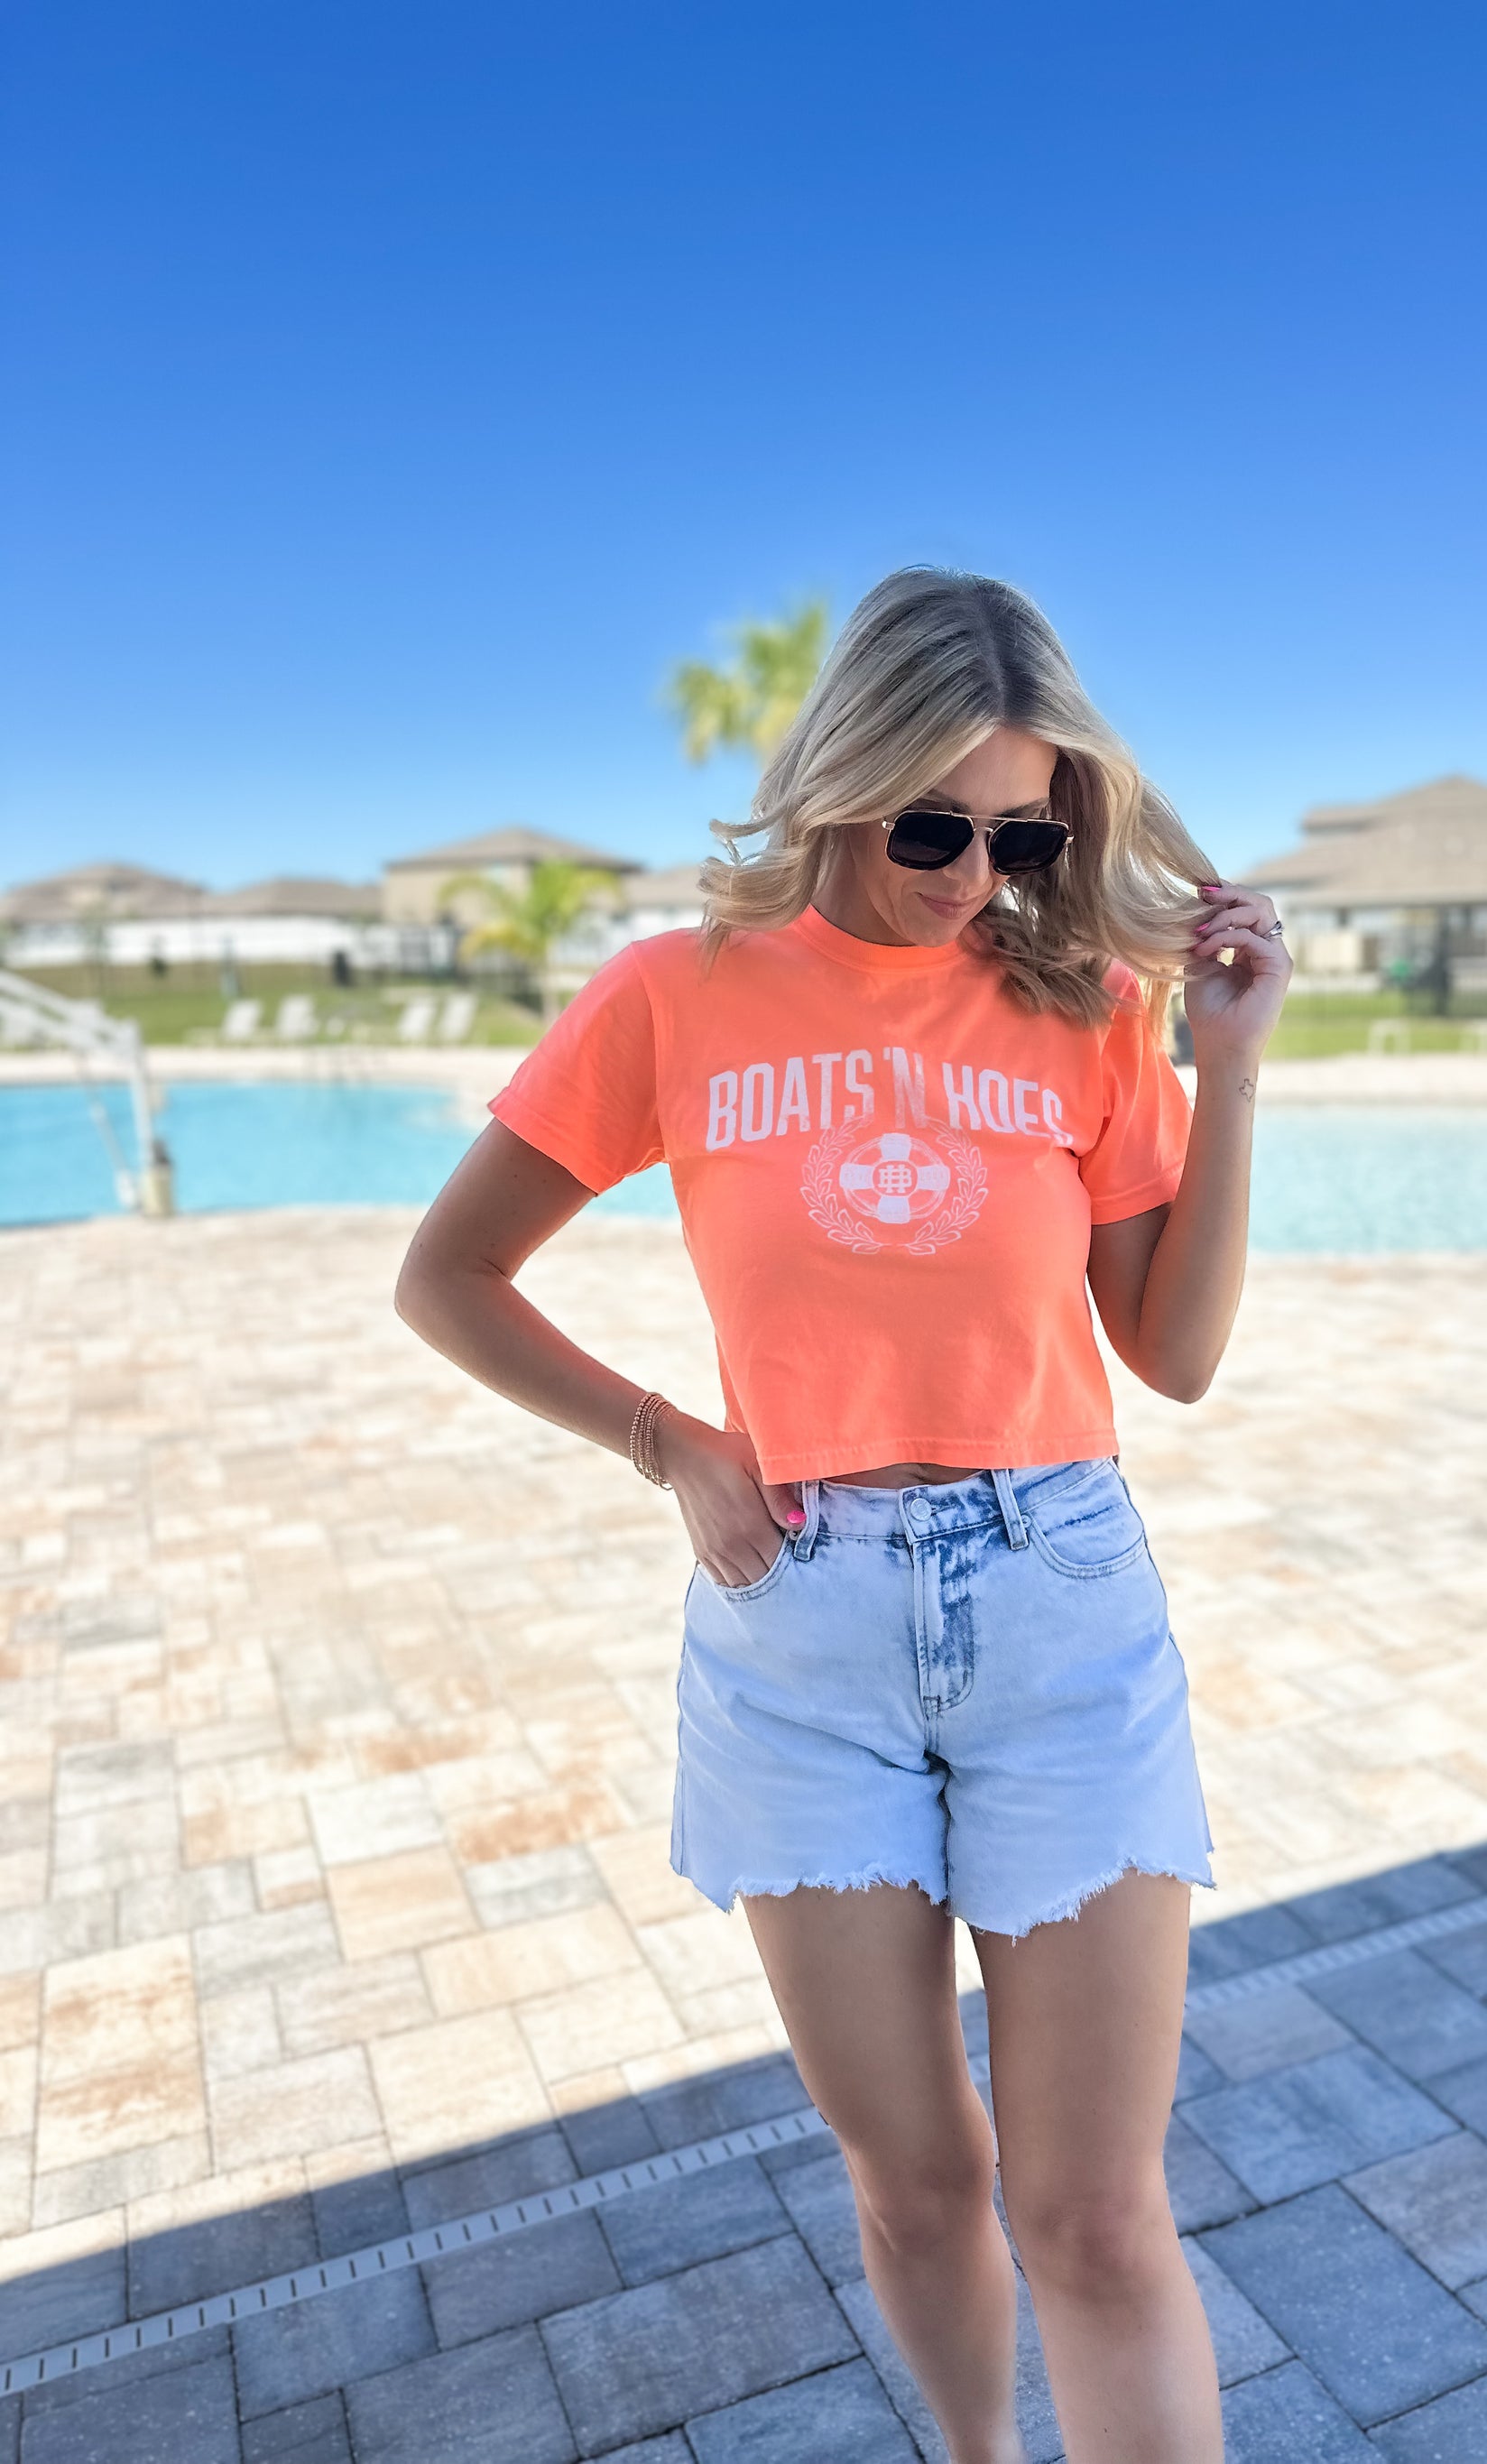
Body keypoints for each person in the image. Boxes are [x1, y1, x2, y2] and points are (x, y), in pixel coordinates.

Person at [395, 568, 1290, 2463]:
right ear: (840, 783)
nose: (978, 875)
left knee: (1093, 2213)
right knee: (917, 2180)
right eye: (933, 827)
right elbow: (449, 1276)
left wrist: (1226, 1067)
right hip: (797, 1634)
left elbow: (1176, 1355)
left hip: (1058, 1609)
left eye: (1024, 834)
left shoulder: (1079, 1006)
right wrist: (667, 1441)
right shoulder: (676, 994)